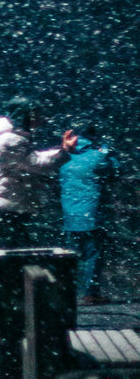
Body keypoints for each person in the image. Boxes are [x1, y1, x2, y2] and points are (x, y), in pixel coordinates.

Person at [0, 97, 76, 247]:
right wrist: (64, 152)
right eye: (36, 114)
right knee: (13, 252)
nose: (40, 118)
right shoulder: (11, 140)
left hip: (6, 203)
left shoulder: (11, 138)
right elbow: (36, 164)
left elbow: (33, 157)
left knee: (12, 251)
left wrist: (61, 150)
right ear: (25, 115)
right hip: (6, 206)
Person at [60, 120, 119, 305]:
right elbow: (116, 171)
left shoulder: (65, 158)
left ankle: (66, 291)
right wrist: (108, 151)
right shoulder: (99, 156)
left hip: (70, 214)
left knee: (73, 254)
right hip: (92, 213)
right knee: (93, 253)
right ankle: (90, 293)